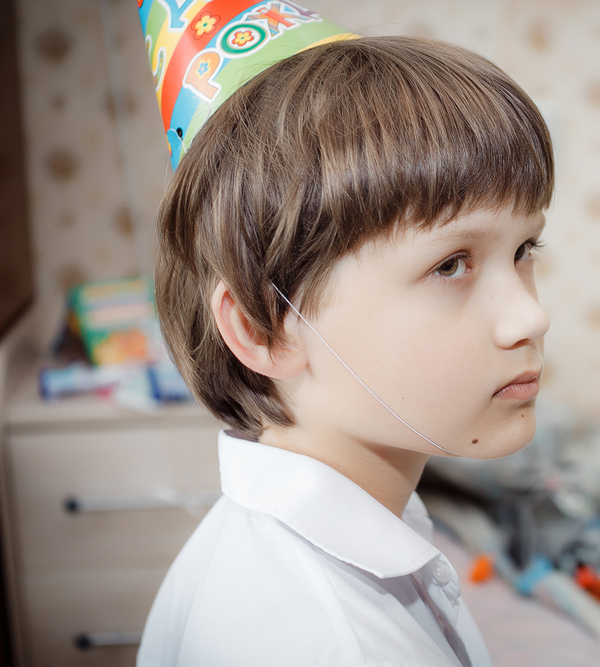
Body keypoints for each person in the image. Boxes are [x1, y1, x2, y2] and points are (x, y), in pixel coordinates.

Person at [136, 32, 554, 667]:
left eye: (524, 250)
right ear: (263, 328)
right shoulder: (335, 645)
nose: (531, 316)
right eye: (450, 265)